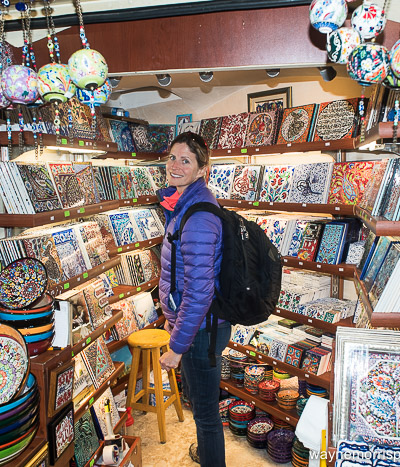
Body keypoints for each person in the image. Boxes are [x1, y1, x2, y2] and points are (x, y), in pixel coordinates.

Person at [157, 131, 231, 467]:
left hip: (200, 331)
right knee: (203, 407)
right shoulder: (184, 203)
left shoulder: (198, 216)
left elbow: (199, 293)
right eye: (172, 157)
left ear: (203, 169)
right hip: (200, 327)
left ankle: (211, 459)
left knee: (206, 415)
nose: (175, 165)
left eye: (185, 160)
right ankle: (206, 453)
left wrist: (177, 347)